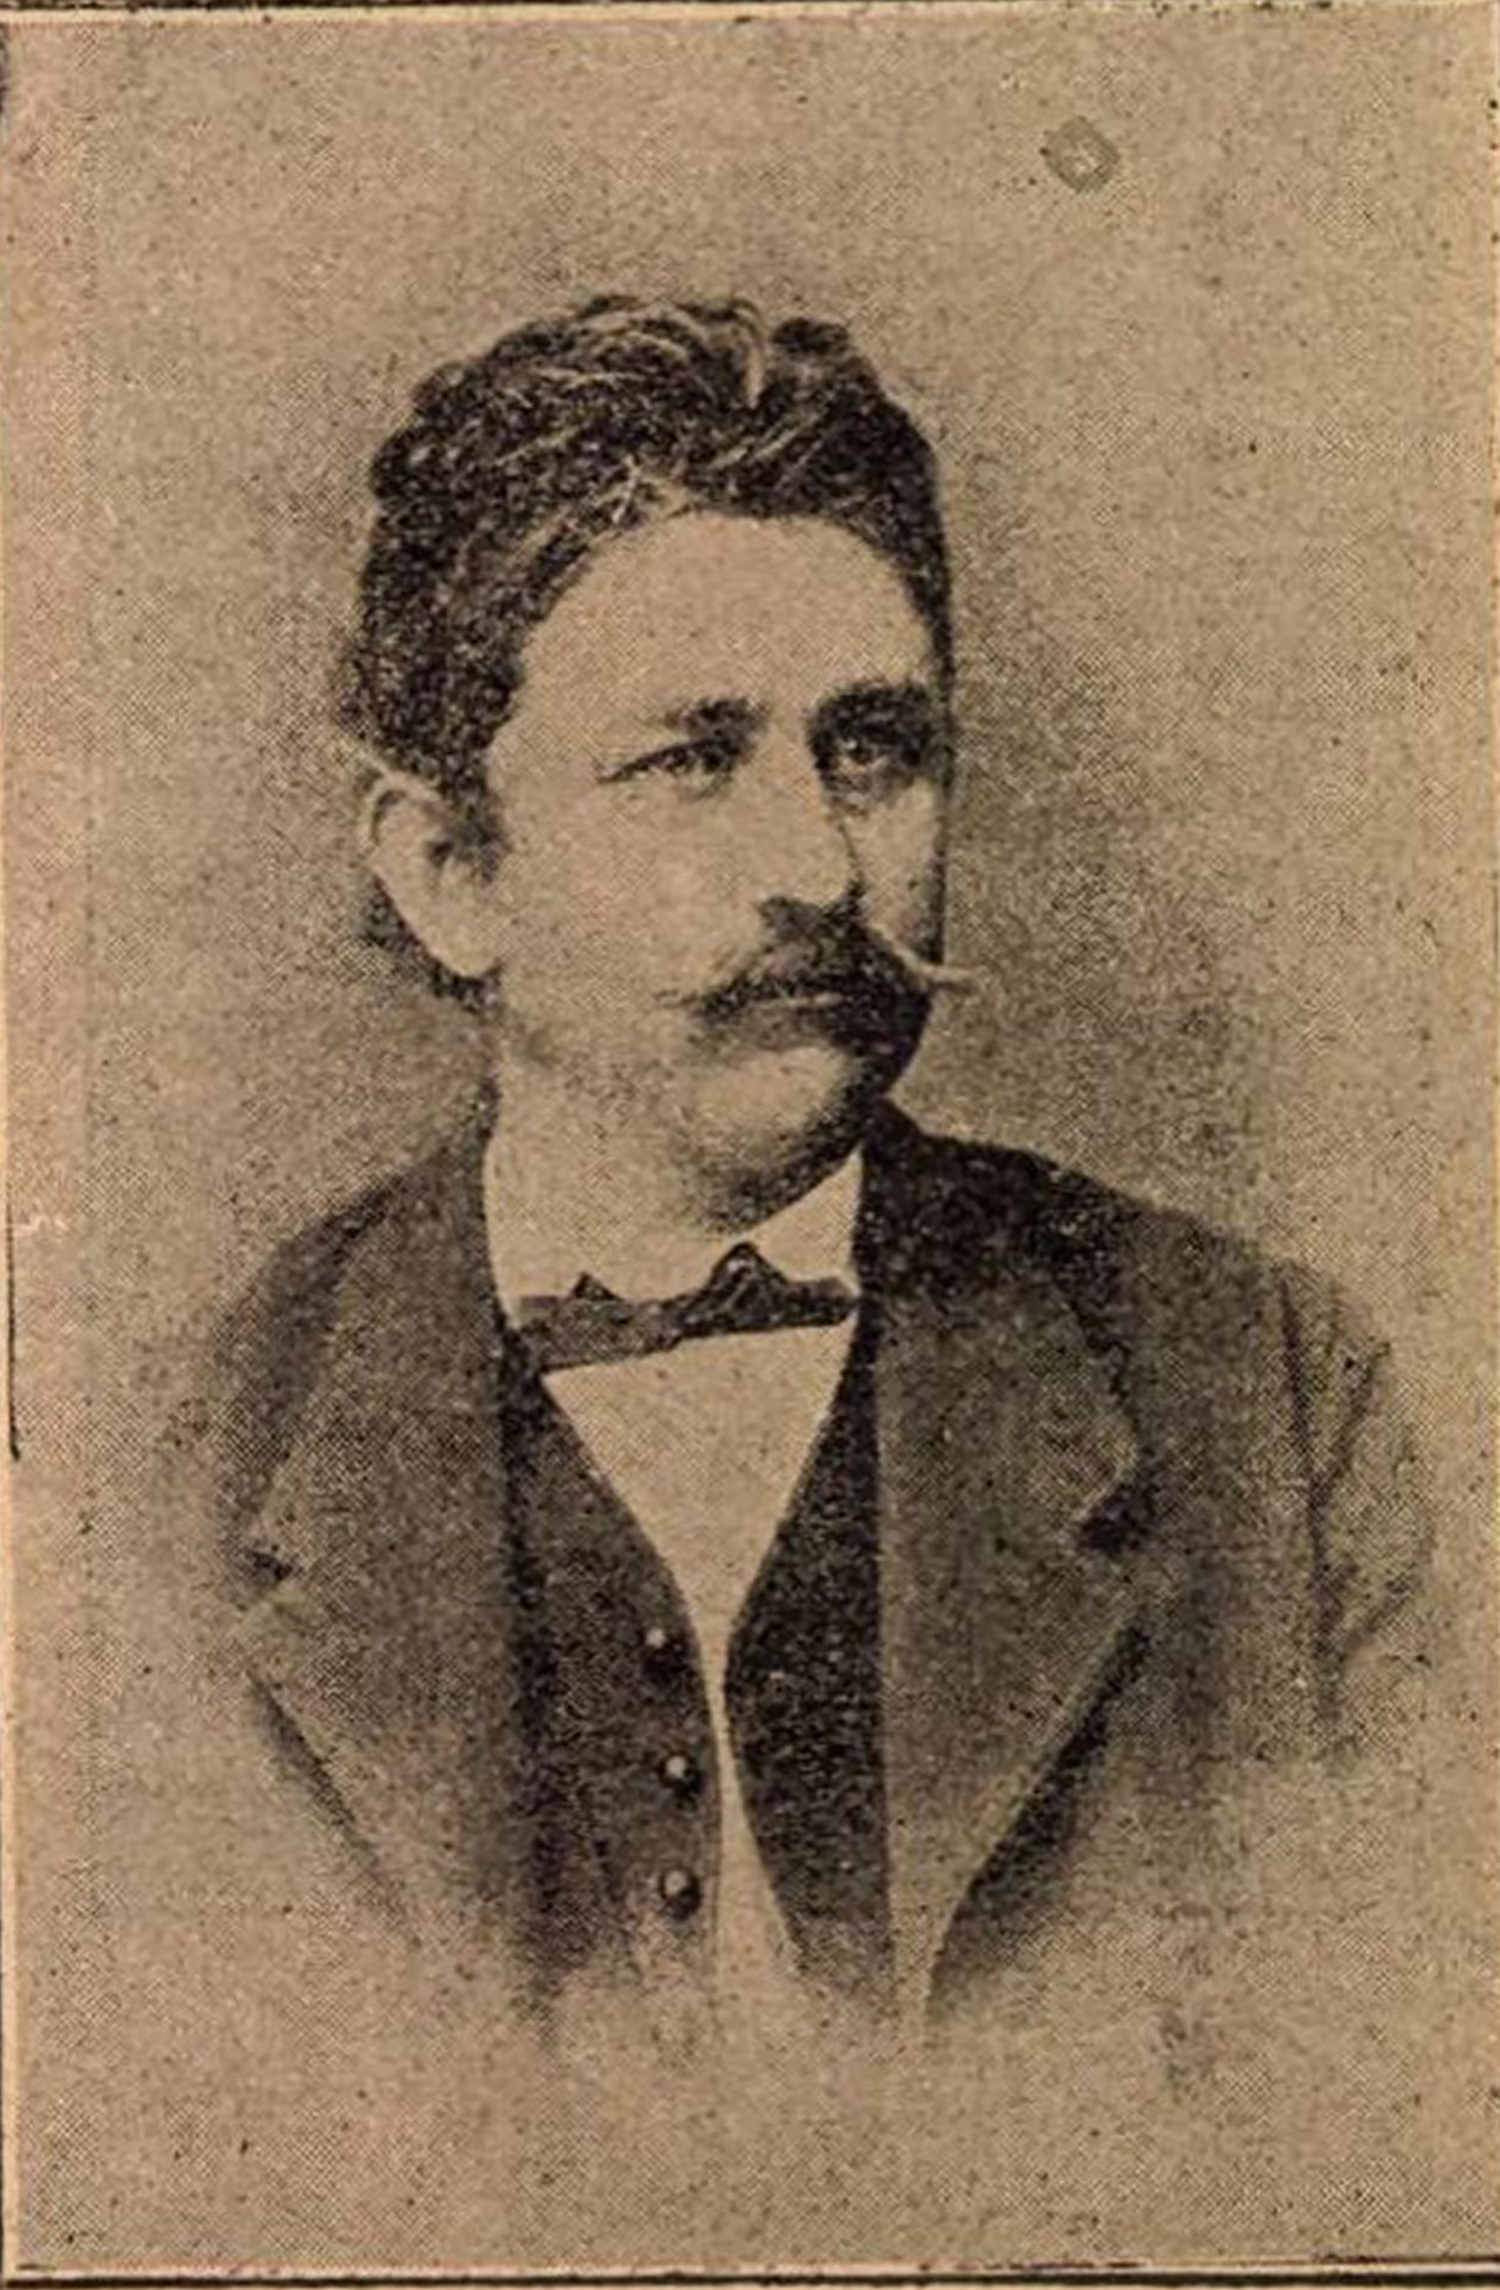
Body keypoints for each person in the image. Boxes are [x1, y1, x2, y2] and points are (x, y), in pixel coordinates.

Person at [182, 295, 1434, 2070]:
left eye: (872, 750)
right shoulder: (184, 1468)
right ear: (452, 870)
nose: (818, 869)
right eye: (692, 760)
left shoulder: (1272, 1395)